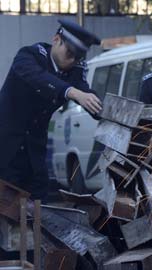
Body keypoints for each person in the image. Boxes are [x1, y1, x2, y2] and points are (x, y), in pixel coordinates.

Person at [0, 19, 103, 200]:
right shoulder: (29, 56)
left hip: (34, 154)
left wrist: (108, 111)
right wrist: (72, 92)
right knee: (6, 208)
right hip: (5, 148)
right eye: (69, 52)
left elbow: (86, 94)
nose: (72, 60)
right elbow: (38, 78)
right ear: (56, 39)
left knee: (38, 207)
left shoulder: (75, 71)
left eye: (78, 57)